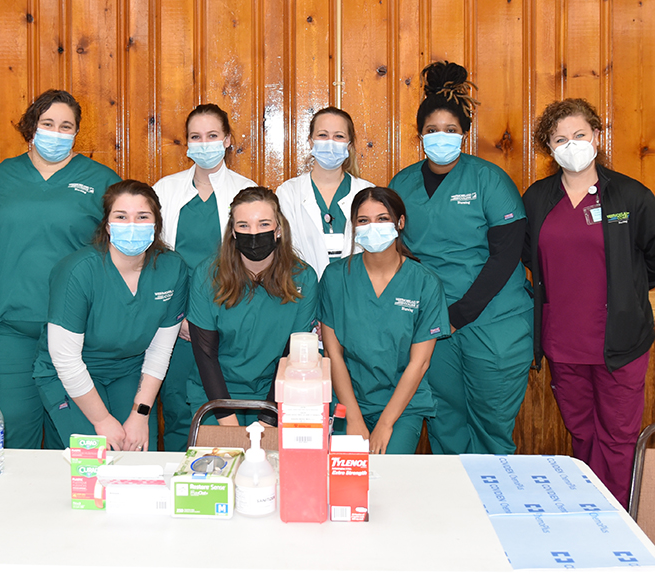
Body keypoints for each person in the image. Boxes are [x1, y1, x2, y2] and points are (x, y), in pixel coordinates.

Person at [388, 61, 533, 455]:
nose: (441, 137)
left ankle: (492, 509)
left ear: (464, 134)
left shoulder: (489, 179)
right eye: (432, 130)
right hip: (434, 322)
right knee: (445, 419)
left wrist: (459, 314)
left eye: (450, 130)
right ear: (420, 136)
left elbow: (505, 257)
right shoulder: (402, 183)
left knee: (491, 422)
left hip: (493, 321)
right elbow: (399, 250)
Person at [0, 89, 121, 449]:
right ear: (31, 128)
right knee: (16, 431)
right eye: (47, 123)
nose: (56, 132)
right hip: (10, 330)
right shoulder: (2, 178)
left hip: (75, 332)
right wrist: (5, 283)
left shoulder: (100, 180)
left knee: (73, 436)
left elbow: (118, 250)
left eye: (65, 126)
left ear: (76, 132)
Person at [522, 98, 655, 506]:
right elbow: (530, 258)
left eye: (580, 135)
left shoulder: (631, 196)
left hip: (620, 342)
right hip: (563, 342)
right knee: (581, 433)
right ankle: (590, 510)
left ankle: (618, 523)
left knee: (618, 438)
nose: (572, 144)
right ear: (549, 147)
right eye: (560, 138)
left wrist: (626, 295)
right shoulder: (538, 198)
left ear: (597, 136)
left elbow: (651, 259)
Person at [32, 180, 188, 451]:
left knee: (138, 454)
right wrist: (102, 420)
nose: (132, 224)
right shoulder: (77, 271)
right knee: (98, 457)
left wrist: (140, 415)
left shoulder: (172, 269)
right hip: (71, 372)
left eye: (142, 217)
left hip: (129, 370)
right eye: (121, 216)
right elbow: (66, 360)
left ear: (156, 224)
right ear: (107, 225)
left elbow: (160, 351)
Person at [153, 104, 257, 451]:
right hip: (177, 325)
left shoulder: (248, 191)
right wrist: (180, 317)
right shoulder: (165, 192)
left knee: (229, 409)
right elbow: (156, 260)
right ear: (186, 143)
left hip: (232, 320)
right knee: (181, 410)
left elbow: (257, 258)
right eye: (196, 137)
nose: (204, 143)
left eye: (213, 136)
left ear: (228, 140)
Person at [320, 187, 449, 454]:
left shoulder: (424, 282)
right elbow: (333, 353)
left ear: (399, 222)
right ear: (354, 226)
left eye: (382, 219)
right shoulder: (335, 277)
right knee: (346, 475)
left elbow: (420, 362)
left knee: (388, 474)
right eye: (363, 221)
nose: (373, 227)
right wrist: (354, 418)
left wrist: (386, 424)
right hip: (347, 401)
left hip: (401, 406)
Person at [187, 187, 318, 425]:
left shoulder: (304, 278)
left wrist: (268, 418)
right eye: (244, 225)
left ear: (278, 230)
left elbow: (293, 354)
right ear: (233, 232)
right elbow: (205, 353)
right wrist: (226, 417)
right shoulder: (207, 275)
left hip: (277, 393)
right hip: (216, 394)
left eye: (264, 224)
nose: (254, 233)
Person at [277, 107, 374, 278]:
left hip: (355, 288)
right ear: (311, 141)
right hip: (305, 289)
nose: (330, 142)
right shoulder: (288, 193)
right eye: (323, 135)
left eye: (339, 136)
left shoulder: (368, 192)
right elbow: (287, 251)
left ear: (349, 145)